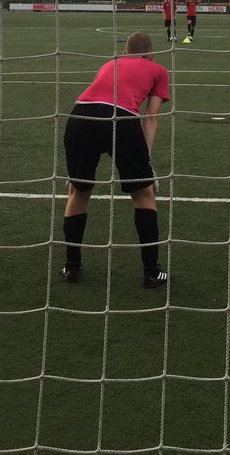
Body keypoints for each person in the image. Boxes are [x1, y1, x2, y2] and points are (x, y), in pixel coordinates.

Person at [61, 31, 170, 288]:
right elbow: (150, 117)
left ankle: (72, 267)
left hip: (80, 116)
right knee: (144, 194)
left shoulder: (110, 63)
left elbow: (97, 99)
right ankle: (151, 272)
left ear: (124, 52)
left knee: (79, 191)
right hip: (120, 119)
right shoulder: (158, 69)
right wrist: (147, 164)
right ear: (151, 54)